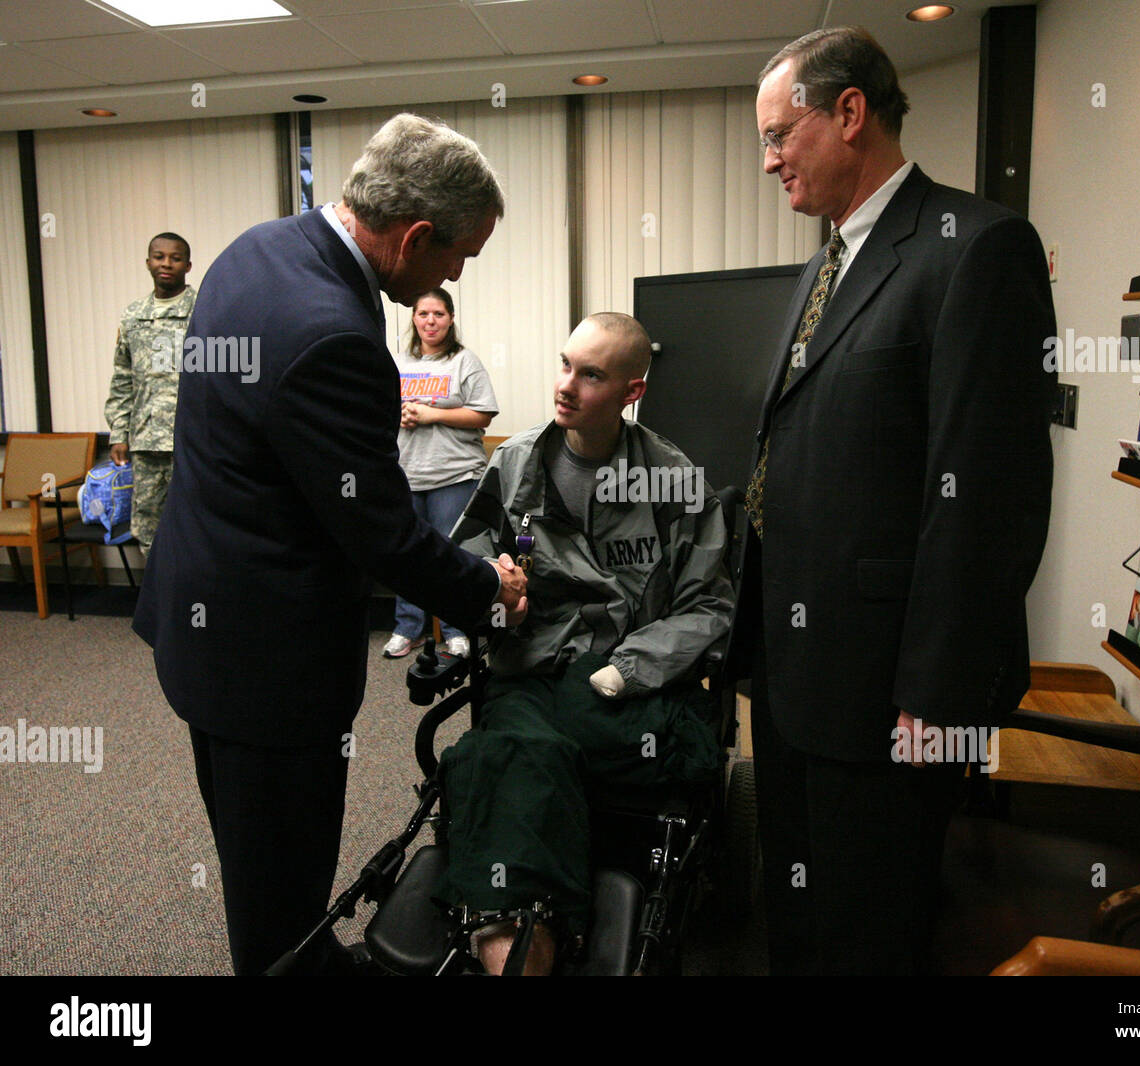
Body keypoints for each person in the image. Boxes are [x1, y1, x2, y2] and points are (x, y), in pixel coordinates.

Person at [132, 114, 527, 976]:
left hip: (204, 616)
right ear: (415, 235)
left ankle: (295, 945)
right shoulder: (334, 338)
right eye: (459, 254)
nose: (457, 273)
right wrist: (488, 591)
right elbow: (384, 533)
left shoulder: (256, 249)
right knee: (279, 879)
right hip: (267, 666)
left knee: (255, 850)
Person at [729, 27, 1056, 974]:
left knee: (866, 933)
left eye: (778, 135)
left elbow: (987, 501)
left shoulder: (978, 248)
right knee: (797, 918)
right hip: (795, 672)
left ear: (849, 113)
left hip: (891, 695)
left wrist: (937, 699)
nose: (768, 162)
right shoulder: (826, 262)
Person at [436, 312, 734, 975]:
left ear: (632, 392)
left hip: (626, 685)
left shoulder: (673, 479)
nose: (566, 385)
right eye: (565, 364)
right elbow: (464, 560)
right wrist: (493, 588)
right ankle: (522, 946)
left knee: (513, 762)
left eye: (591, 374)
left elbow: (709, 602)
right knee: (516, 749)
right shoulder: (515, 465)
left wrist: (631, 666)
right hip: (531, 669)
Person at [384, 288, 498, 660]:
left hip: (454, 474)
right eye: (423, 314)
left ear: (450, 319)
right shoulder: (397, 364)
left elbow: (483, 414)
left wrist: (433, 414)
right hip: (407, 475)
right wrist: (398, 415)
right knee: (407, 555)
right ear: (413, 318)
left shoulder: (464, 362)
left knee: (452, 553)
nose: (430, 321)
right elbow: (375, 410)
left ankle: (456, 628)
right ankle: (407, 627)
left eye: (438, 314)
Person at [103, 232, 196, 556]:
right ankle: (159, 603)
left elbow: (222, 377)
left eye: (175, 257)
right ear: (148, 262)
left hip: (192, 442)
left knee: (195, 524)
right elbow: (123, 379)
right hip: (145, 443)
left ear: (188, 265)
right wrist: (119, 433)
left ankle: (196, 604)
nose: (166, 264)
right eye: (159, 257)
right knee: (148, 529)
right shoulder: (133, 316)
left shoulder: (204, 312)